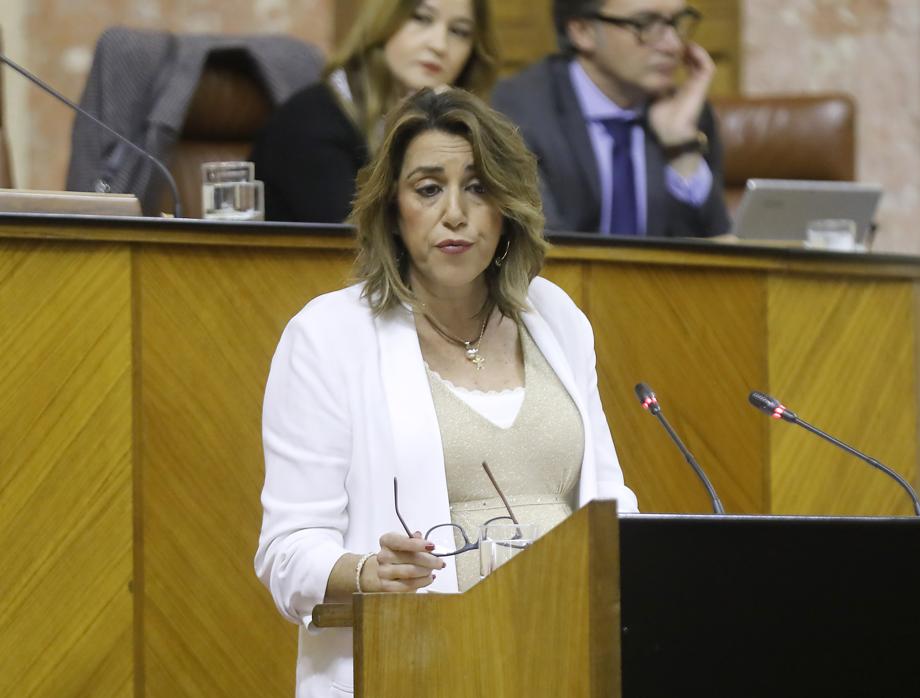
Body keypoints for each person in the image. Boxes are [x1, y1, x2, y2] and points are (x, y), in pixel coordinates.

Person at [254, 87, 638, 697]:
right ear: (392, 208)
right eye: (428, 188)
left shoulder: (556, 317)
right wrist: (367, 572)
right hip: (419, 661)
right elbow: (287, 551)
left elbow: (611, 506)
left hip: (564, 652)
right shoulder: (328, 336)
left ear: (508, 206)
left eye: (479, 187)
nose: (455, 213)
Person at [491, 0, 730, 238]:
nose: (673, 45)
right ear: (583, 32)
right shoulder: (518, 112)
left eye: (676, 22)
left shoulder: (686, 112)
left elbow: (720, 247)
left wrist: (681, 149)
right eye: (645, 24)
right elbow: (539, 245)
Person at [250, 0, 498, 223]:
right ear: (383, 22)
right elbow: (355, 250)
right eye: (421, 18)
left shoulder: (455, 127)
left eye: (459, 32)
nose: (439, 45)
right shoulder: (308, 124)